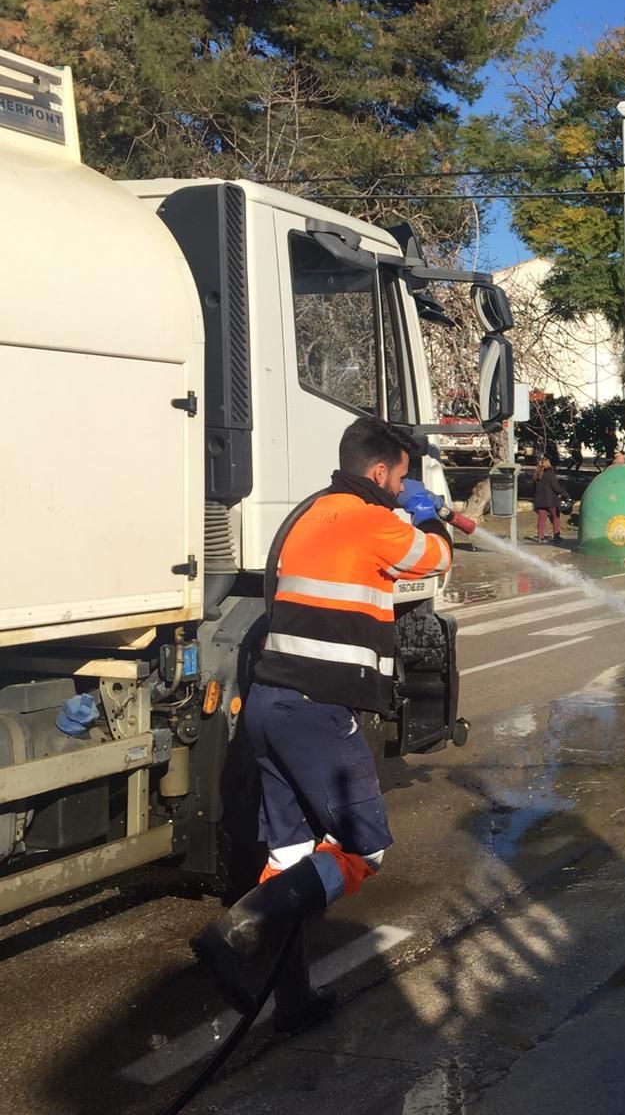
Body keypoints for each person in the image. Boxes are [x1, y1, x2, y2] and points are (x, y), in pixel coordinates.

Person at [190, 417, 453, 1030]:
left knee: (289, 857)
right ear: (381, 472)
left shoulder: (309, 515)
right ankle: (236, 932)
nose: (401, 489)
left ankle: (293, 1001)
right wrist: (427, 510)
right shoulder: (373, 520)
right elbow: (435, 559)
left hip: (270, 705)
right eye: (401, 479)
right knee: (366, 847)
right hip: (317, 713)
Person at [532, 456, 567, 543]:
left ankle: (540, 537)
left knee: (542, 519)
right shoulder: (550, 473)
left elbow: (533, 489)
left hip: (539, 501)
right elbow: (556, 487)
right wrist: (564, 494)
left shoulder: (536, 475)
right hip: (551, 500)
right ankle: (556, 536)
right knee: (555, 518)